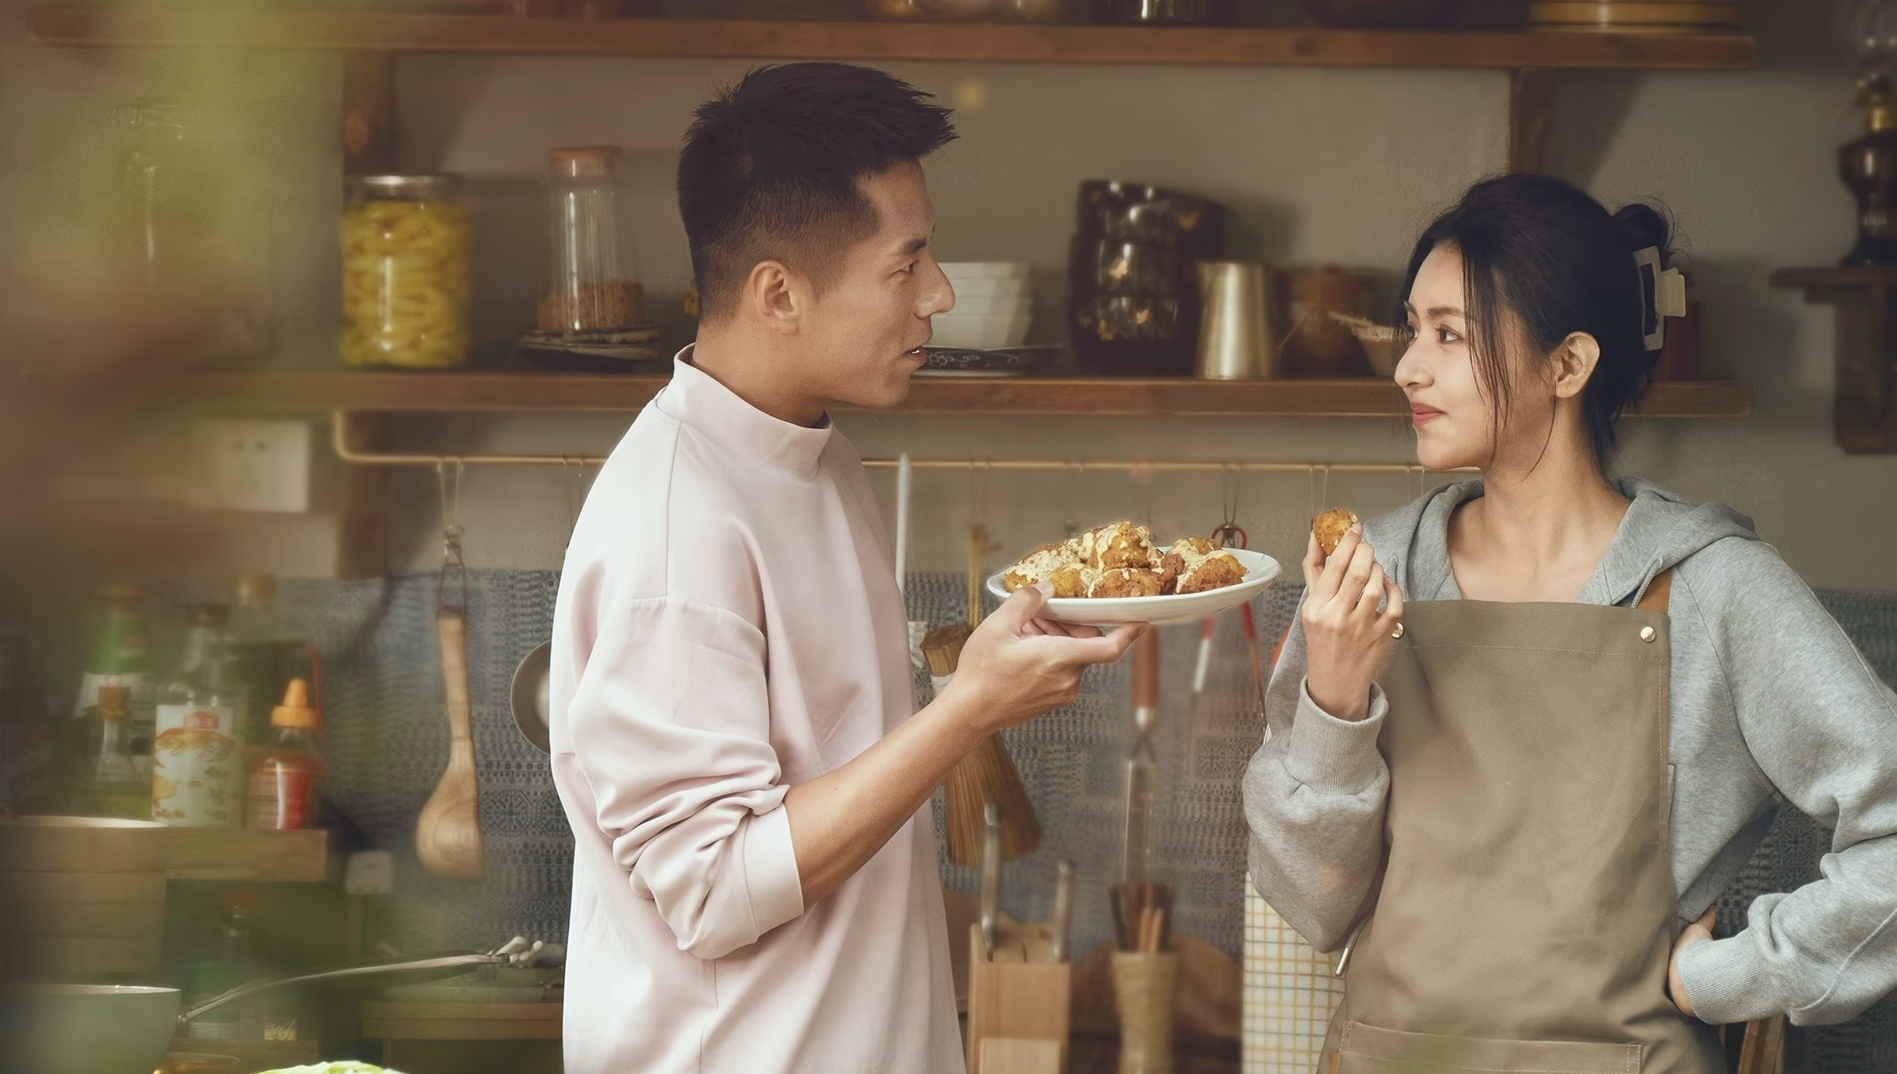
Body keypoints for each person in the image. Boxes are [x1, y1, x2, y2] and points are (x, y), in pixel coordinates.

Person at [549, 63, 1142, 1074]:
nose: (938, 295)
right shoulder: (676, 527)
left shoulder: (817, 459)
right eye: (905, 266)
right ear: (778, 293)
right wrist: (966, 709)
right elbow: (713, 890)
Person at [1244, 174, 1897, 1073]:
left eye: (1448, 335)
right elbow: (1311, 906)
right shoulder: (1370, 577)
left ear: (1567, 365)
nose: (1406, 368)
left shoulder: (1710, 587)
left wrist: (1730, 974)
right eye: (1410, 328)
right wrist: (1332, 699)